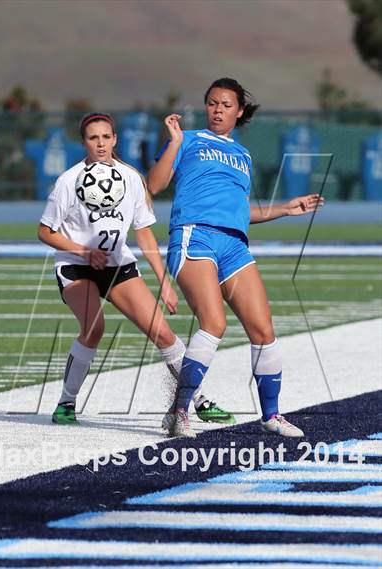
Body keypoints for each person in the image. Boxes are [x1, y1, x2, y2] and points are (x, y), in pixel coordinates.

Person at [148, 77, 324, 438]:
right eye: (212, 103)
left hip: (234, 245)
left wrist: (285, 209)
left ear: (239, 112)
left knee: (263, 329)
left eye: (226, 105)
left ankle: (271, 416)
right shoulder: (190, 140)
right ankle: (178, 412)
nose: (217, 110)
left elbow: (241, 210)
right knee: (214, 323)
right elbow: (154, 185)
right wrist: (175, 142)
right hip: (195, 236)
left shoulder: (242, 155)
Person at [38, 112, 190, 426]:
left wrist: (164, 283)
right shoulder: (69, 181)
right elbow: (45, 231)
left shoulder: (131, 177)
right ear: (84, 142)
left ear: (115, 139)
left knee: (162, 332)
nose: (100, 143)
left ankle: (195, 398)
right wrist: (83, 250)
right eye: (93, 138)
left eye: (106, 137)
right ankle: (67, 402)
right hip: (77, 267)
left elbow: (144, 232)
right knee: (94, 328)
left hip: (116, 265)